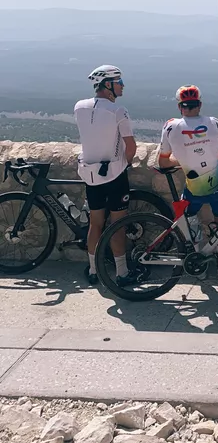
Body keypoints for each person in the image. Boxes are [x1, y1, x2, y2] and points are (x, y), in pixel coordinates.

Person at [74, 65, 137, 287]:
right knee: (117, 224)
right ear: (108, 85)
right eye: (119, 82)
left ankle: (93, 270)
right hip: (115, 175)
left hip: (91, 175)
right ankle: (121, 272)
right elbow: (130, 146)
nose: (122, 86)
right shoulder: (118, 111)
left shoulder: (79, 107)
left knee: (96, 223)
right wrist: (127, 163)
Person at [158, 85, 218, 251]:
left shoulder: (170, 127)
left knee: (188, 217)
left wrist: (182, 161)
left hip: (193, 190)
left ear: (180, 107)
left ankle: (196, 256)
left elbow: (163, 163)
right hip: (217, 187)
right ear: (199, 105)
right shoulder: (215, 123)